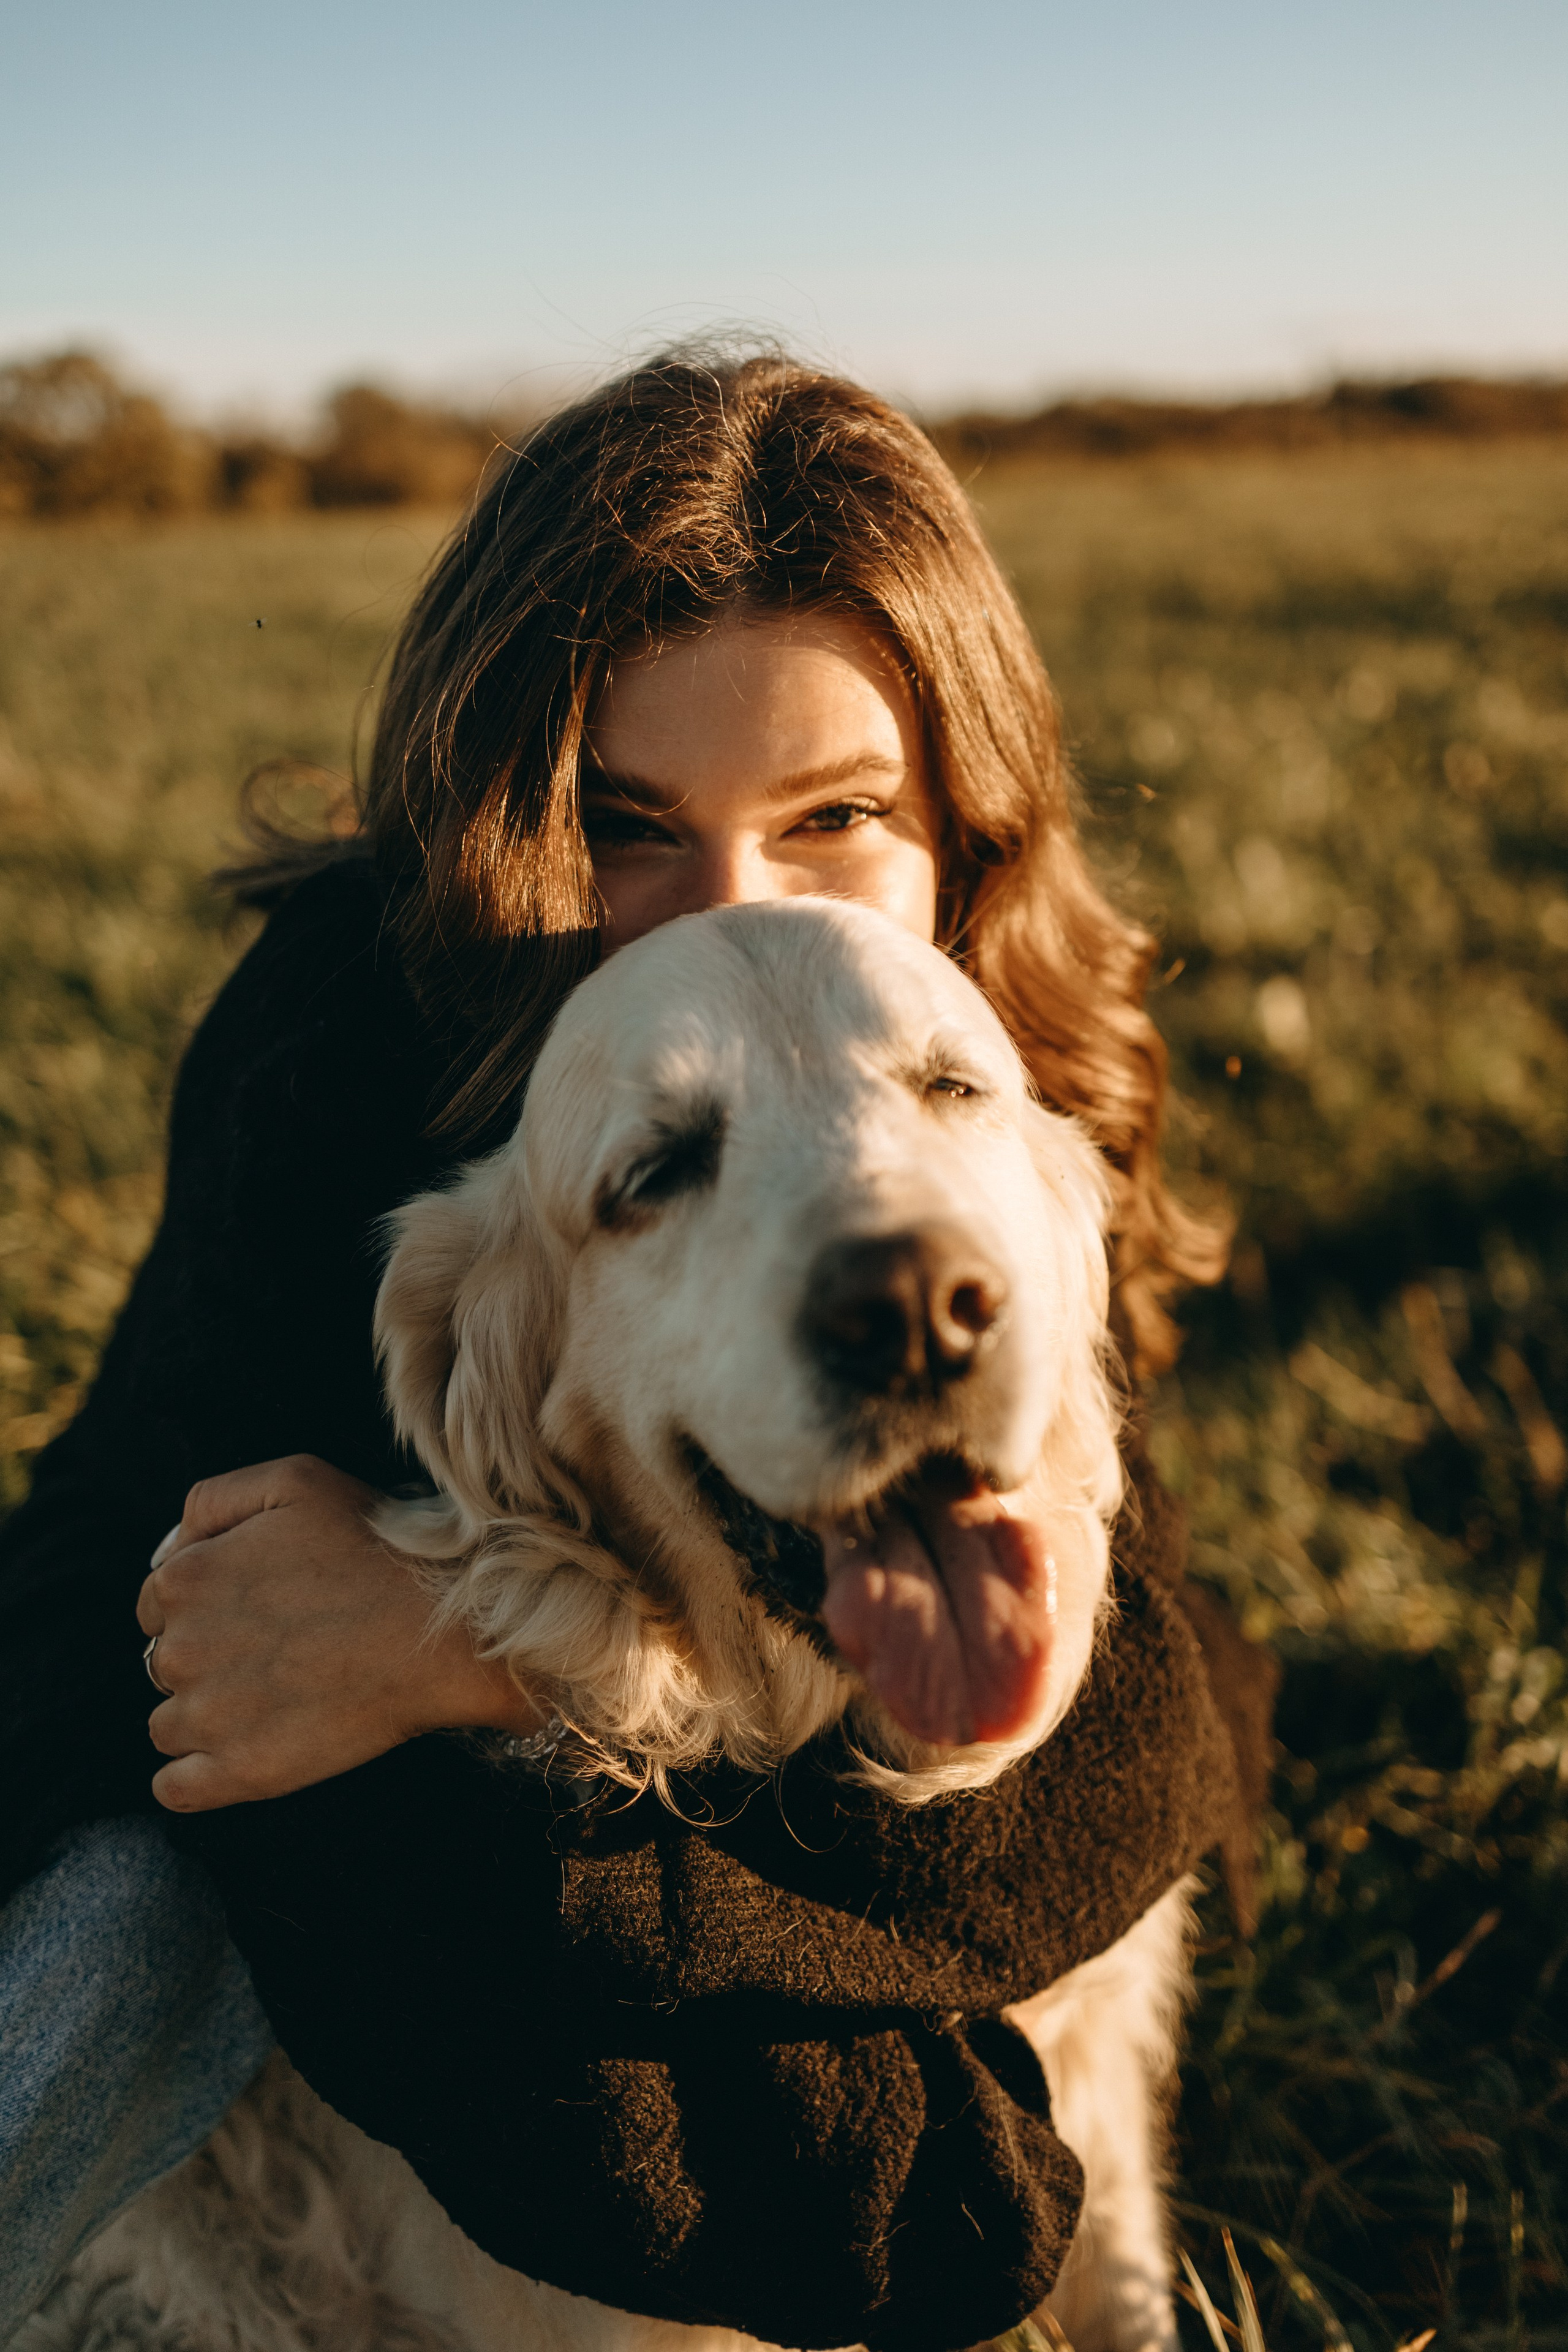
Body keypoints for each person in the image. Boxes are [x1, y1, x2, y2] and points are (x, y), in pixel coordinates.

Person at [0, 348, 1268, 2346]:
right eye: (628, 825)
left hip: (597, 1694)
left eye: (842, 813)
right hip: (154, 1714)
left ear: (963, 836)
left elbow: (1139, 1737)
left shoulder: (986, 1067)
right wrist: (453, 1659)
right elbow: (322, 1793)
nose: (732, 917)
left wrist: (464, 1656)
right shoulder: (333, 1079)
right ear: (505, 813)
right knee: (145, 1898)